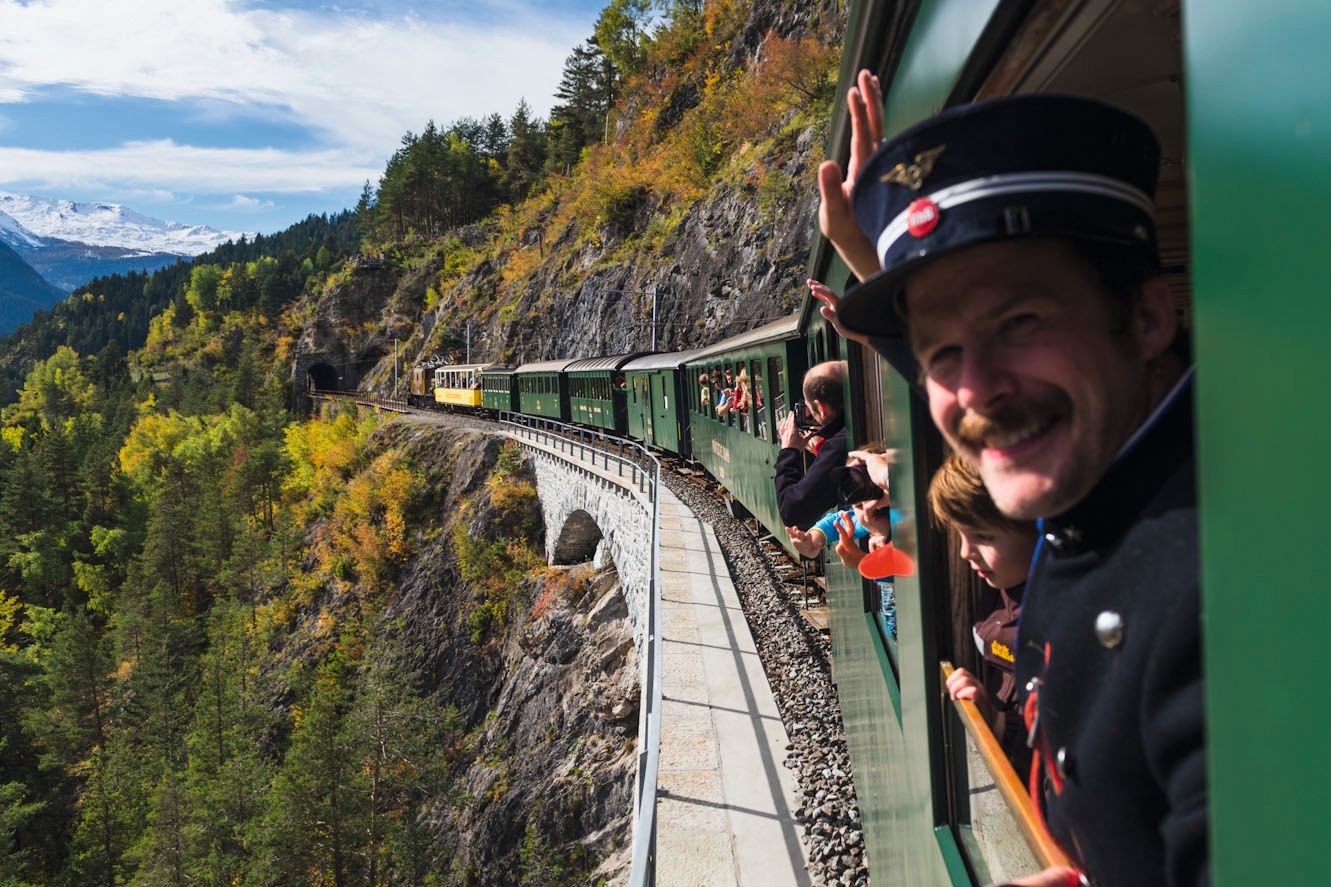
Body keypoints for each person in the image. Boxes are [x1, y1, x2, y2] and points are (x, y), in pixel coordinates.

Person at [822, 89, 1205, 887]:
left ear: (1145, 318)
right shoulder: (1120, 475)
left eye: (1021, 322)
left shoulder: (1225, 592)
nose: (975, 390)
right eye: (938, 354)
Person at [928, 452, 1037, 771]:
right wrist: (993, 717)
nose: (965, 552)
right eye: (961, 534)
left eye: (983, 536)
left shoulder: (1052, 620)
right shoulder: (999, 589)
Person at [774, 360, 849, 529]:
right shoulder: (844, 437)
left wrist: (789, 450)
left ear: (820, 408)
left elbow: (792, 510)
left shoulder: (840, 445)